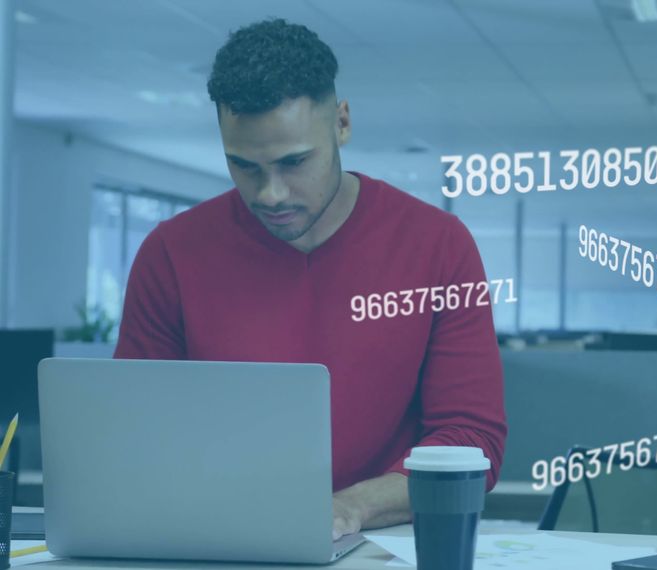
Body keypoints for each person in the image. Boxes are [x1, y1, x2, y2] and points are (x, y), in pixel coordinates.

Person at [112, 19, 507, 540]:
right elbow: (133, 433)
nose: (271, 194)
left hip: (381, 543)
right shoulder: (170, 253)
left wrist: (351, 507)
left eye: (294, 162)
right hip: (219, 537)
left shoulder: (439, 245)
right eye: (243, 165)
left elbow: (472, 442)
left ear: (341, 123)